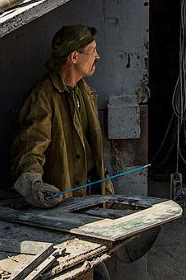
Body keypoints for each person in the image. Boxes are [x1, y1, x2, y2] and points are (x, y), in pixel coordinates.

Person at [11, 24, 113, 208]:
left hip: (92, 193)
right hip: (62, 200)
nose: (97, 56)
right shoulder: (42, 96)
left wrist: (106, 188)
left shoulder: (85, 92)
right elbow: (30, 149)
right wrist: (34, 186)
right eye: (93, 51)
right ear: (74, 57)